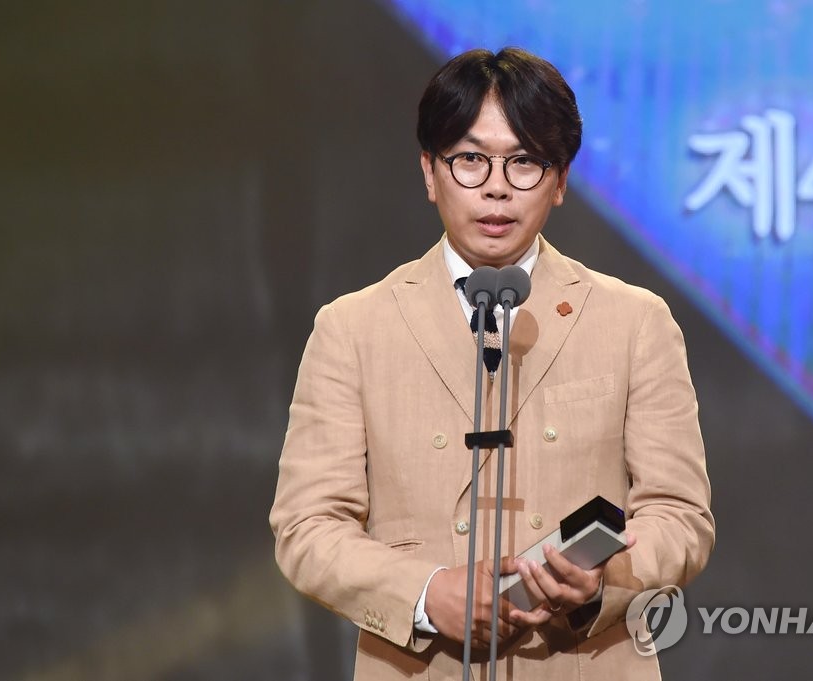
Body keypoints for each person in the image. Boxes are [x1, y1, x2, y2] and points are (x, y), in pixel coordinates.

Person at [269, 47, 714, 680]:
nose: (497, 186)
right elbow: (308, 527)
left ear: (560, 181)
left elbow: (680, 516)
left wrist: (601, 582)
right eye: (470, 159)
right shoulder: (353, 329)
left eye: (525, 161)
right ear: (430, 172)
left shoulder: (634, 322)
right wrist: (427, 594)